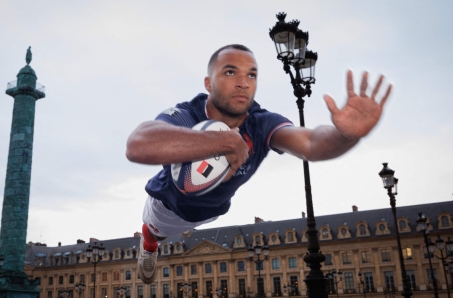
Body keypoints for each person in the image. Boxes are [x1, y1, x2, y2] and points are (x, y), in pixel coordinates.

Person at [125, 44, 392, 284]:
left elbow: (311, 143)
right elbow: (138, 144)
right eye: (230, 73)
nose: (243, 83)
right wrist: (222, 142)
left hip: (214, 209)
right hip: (168, 205)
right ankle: (148, 243)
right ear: (209, 83)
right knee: (156, 233)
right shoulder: (188, 114)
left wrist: (345, 135)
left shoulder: (261, 122)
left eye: (251, 75)